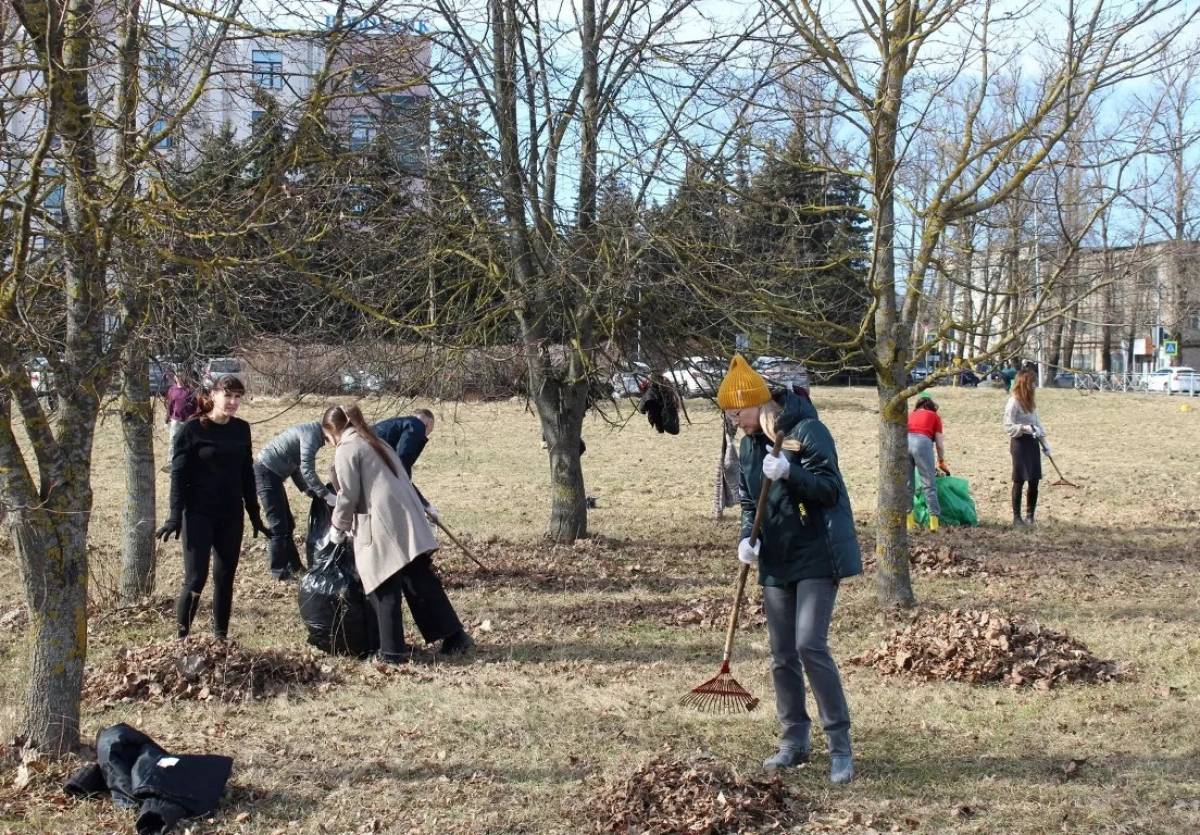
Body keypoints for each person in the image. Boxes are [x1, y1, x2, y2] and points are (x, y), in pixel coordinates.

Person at [717, 355, 862, 785]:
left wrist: (790, 472)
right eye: (728, 413)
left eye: (737, 412)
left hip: (818, 554)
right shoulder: (748, 446)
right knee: (781, 654)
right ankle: (794, 742)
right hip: (776, 558)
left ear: (758, 403)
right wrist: (748, 538)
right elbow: (748, 501)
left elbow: (830, 489)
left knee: (808, 645)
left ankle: (840, 747)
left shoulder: (807, 431)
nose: (734, 420)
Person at [321, 405, 473, 663]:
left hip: (384, 523)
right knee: (419, 580)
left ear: (332, 430)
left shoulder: (348, 447)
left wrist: (337, 528)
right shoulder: (374, 439)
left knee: (383, 585)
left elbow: (348, 495)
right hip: (406, 516)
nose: (328, 443)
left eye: (327, 438)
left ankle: (391, 653)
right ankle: (455, 637)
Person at [156, 376, 267, 640]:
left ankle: (220, 639)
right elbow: (178, 477)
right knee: (196, 578)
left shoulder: (242, 429)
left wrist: (255, 514)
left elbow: (246, 474)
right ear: (213, 394)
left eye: (238, 397)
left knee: (225, 577)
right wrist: (174, 517)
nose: (232, 402)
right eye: (228, 395)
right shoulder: (191, 430)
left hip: (230, 514)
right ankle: (181, 640)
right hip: (197, 514)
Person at [254, 422, 335, 580]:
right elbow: (307, 468)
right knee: (278, 524)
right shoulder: (312, 435)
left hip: (272, 474)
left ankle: (295, 566)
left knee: (288, 524)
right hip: (265, 472)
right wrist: (326, 494)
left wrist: (305, 489)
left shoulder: (312, 433)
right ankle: (278, 571)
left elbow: (295, 464)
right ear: (330, 429)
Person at [1004, 367, 1048, 527]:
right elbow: (1008, 426)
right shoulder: (1013, 402)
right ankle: (1017, 518)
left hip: (1032, 443)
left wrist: (1045, 443)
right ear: (1024, 383)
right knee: (1019, 480)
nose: (1034, 386)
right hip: (1019, 444)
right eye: (1032, 382)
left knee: (1034, 479)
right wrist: (1024, 428)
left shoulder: (1030, 402)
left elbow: (1037, 424)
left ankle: (1030, 516)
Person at [906, 394, 949, 533]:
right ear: (932, 407)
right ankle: (934, 525)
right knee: (929, 484)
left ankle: (909, 523)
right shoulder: (934, 417)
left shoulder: (910, 414)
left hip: (904, 442)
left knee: (907, 485)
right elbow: (940, 444)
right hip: (922, 443)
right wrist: (941, 461)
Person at [163, 370, 197, 452]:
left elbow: (195, 404)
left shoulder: (189, 390)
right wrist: (167, 417)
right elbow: (170, 404)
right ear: (175, 378)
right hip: (176, 419)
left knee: (188, 440)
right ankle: (171, 458)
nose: (180, 378)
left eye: (182, 376)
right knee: (173, 439)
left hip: (187, 420)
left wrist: (193, 417)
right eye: (178, 376)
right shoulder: (172, 390)